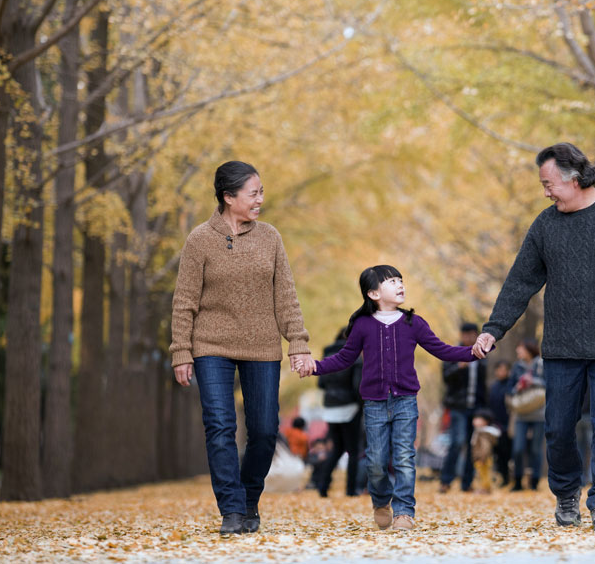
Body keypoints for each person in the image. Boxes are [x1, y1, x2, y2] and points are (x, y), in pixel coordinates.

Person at [474, 143, 595, 531]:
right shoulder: (546, 225)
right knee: (558, 427)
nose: (545, 191)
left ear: (574, 179)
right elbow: (520, 282)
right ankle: (566, 494)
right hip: (562, 345)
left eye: (549, 184)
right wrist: (492, 330)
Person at [170, 161, 314, 536]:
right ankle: (232, 510)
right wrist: (181, 351)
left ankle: (250, 498)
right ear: (228, 197)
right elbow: (185, 300)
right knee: (219, 426)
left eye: (261, 192)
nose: (260, 200)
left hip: (263, 345)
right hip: (210, 345)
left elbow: (286, 296)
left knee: (265, 430)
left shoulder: (270, 237)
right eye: (254, 194)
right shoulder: (200, 239)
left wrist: (298, 342)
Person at [297, 265, 490, 531]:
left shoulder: (414, 323)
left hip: (406, 401)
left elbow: (442, 350)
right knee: (375, 461)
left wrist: (473, 353)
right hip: (374, 403)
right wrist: (315, 367)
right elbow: (344, 358)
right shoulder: (363, 325)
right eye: (391, 281)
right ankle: (380, 500)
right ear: (374, 293)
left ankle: (404, 512)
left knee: (403, 457)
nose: (400, 284)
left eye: (401, 280)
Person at [315, 327, 364, 497]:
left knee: (336, 449)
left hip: (330, 408)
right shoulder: (355, 355)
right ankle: (350, 490)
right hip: (350, 407)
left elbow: (320, 384)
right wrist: (363, 404)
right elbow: (358, 386)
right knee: (352, 450)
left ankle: (323, 485)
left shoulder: (327, 354)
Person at [439, 322, 487, 493]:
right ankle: (445, 481)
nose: (468, 338)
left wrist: (482, 412)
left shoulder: (481, 356)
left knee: (471, 445)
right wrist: (459, 367)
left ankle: (467, 483)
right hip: (457, 407)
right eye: (465, 334)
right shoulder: (453, 353)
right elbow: (445, 377)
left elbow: (483, 387)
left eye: (472, 334)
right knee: (457, 442)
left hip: (475, 408)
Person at [508, 340, 545, 492]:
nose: (518, 352)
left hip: (539, 412)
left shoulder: (542, 365)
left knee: (536, 449)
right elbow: (509, 389)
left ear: (529, 350)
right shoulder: (517, 366)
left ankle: (535, 481)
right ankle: (517, 480)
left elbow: (550, 384)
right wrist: (517, 387)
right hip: (521, 412)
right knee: (518, 448)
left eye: (521, 349)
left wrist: (533, 381)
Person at [488, 360, 513, 487]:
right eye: (499, 369)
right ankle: (504, 477)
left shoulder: (511, 385)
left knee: (509, 452)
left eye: (504, 369)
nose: (502, 372)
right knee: (499, 453)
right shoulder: (493, 386)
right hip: (495, 425)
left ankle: (513, 477)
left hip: (509, 424)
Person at [470, 409, 501, 494]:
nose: (475, 421)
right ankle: (484, 487)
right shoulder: (478, 431)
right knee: (481, 474)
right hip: (479, 457)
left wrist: (482, 457)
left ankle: (486, 488)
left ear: (485, 421)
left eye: (478, 419)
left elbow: (485, 447)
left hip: (484, 458)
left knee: (485, 474)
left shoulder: (484, 433)